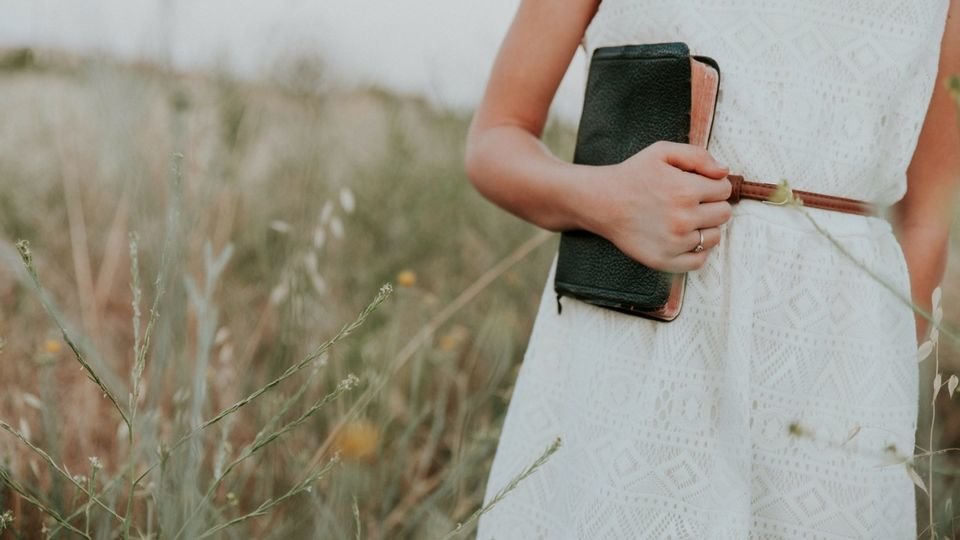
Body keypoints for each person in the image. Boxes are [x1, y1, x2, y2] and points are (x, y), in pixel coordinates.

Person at [464, 0, 959, 538]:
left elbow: (928, 219)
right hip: (636, 354)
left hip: (840, 376)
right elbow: (496, 138)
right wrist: (605, 198)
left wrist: (880, 383)